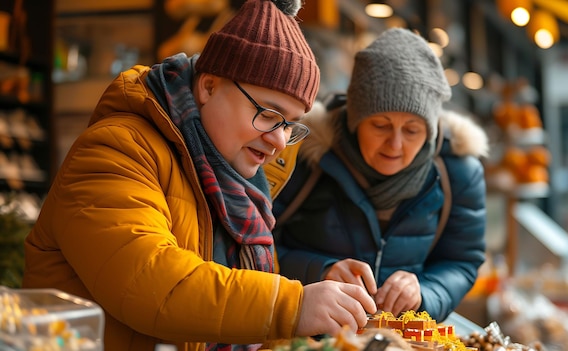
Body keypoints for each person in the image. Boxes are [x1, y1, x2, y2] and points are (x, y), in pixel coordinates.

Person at [21, 1, 376, 350]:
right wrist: (292, 305)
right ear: (208, 87)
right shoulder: (115, 149)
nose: (280, 141)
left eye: (290, 125)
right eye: (269, 114)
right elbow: (151, 285)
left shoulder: (242, 178)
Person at [266, 28, 489, 322]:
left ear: (431, 131)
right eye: (381, 126)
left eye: (412, 130)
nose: (395, 144)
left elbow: (462, 260)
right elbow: (253, 244)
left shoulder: (459, 173)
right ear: (355, 120)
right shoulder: (302, 156)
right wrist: (320, 271)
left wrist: (425, 291)